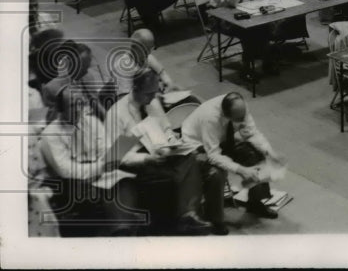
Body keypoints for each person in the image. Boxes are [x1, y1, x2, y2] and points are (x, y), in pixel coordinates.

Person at [104, 70, 220, 235]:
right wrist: (146, 159)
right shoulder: (117, 115)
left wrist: (174, 143)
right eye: (149, 94)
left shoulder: (152, 102)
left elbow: (166, 129)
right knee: (188, 164)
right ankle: (186, 215)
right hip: (137, 165)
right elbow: (117, 157)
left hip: (160, 153)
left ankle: (188, 214)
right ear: (135, 88)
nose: (153, 98)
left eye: (155, 92)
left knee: (189, 156)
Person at [40, 86, 142, 236]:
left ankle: (122, 231)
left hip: (100, 175)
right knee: (103, 190)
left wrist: (110, 160)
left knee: (124, 181)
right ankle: (123, 229)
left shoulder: (92, 122)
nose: (78, 109)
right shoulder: (50, 134)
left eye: (81, 104)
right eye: (73, 105)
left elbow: (105, 150)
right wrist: (100, 167)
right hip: (72, 183)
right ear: (60, 109)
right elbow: (66, 169)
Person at [181, 93, 286, 220]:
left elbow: (252, 133)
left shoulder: (240, 107)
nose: (243, 121)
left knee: (255, 156)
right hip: (197, 144)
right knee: (216, 173)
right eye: (238, 119)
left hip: (222, 138)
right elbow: (213, 154)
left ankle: (254, 203)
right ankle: (214, 218)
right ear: (226, 115)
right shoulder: (211, 119)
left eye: (243, 117)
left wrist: (270, 152)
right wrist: (241, 169)